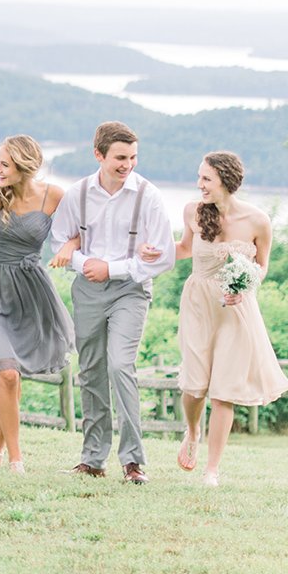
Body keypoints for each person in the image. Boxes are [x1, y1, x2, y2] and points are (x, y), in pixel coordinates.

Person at [49, 120, 176, 485]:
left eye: (133, 157)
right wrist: (83, 262)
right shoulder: (77, 193)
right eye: (121, 157)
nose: (128, 165)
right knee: (90, 370)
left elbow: (164, 258)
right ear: (98, 155)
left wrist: (114, 268)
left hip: (130, 291)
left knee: (121, 366)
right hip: (87, 290)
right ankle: (93, 459)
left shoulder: (147, 196)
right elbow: (59, 240)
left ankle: (133, 461)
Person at [170, 151, 288, 487]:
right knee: (194, 384)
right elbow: (183, 248)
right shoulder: (192, 211)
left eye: (206, 179)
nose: (200, 185)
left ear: (225, 179)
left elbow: (263, 267)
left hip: (236, 309)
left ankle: (212, 470)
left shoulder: (258, 221)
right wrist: (159, 252)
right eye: (199, 178)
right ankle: (192, 431)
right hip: (198, 304)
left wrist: (245, 287)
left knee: (224, 390)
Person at [0, 135, 72, 474]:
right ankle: (16, 459)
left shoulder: (54, 195)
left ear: (24, 166)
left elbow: (77, 230)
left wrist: (69, 248)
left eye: (4, 164)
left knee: (14, 374)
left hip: (29, 291)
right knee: (7, 371)